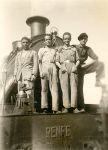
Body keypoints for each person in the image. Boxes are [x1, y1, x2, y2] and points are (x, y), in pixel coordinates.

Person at [75, 33, 105, 113]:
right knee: (78, 88)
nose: (84, 40)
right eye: (83, 39)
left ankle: (98, 80)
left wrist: (85, 65)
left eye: (86, 39)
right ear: (79, 39)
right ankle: (77, 107)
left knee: (100, 64)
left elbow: (96, 58)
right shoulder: (74, 47)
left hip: (81, 68)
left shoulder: (88, 49)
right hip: (74, 69)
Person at [56, 32, 80, 113]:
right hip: (63, 68)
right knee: (64, 88)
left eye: (68, 38)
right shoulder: (60, 49)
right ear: (63, 40)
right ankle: (66, 107)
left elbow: (78, 60)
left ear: (70, 39)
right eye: (65, 38)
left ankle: (74, 107)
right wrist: (61, 67)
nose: (67, 40)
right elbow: (56, 61)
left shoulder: (74, 49)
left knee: (74, 88)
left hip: (73, 66)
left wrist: (75, 67)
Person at [13, 37, 38, 112]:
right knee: (20, 93)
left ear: (29, 43)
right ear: (21, 43)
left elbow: (35, 65)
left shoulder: (33, 52)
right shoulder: (19, 54)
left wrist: (34, 74)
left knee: (29, 93)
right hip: (20, 75)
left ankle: (30, 110)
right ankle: (21, 110)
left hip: (28, 74)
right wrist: (15, 76)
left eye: (26, 42)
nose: (25, 44)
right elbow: (16, 65)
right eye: (23, 42)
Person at [38, 34, 59, 114]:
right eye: (46, 39)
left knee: (54, 88)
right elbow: (39, 62)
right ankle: (44, 108)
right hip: (44, 68)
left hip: (53, 67)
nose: (48, 41)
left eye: (49, 39)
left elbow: (57, 61)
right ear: (44, 41)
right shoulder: (41, 50)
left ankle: (55, 108)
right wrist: (41, 71)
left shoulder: (54, 50)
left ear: (51, 40)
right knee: (44, 89)